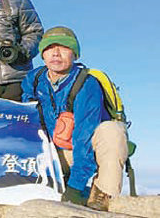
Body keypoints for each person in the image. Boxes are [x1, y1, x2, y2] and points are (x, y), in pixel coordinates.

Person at [21, 26, 128, 211]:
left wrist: (75, 187)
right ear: (42, 54)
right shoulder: (34, 79)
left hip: (83, 151)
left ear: (75, 54)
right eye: (49, 47)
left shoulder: (86, 85)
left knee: (113, 132)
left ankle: (102, 191)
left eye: (64, 47)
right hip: (50, 153)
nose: (56, 53)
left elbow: (83, 137)